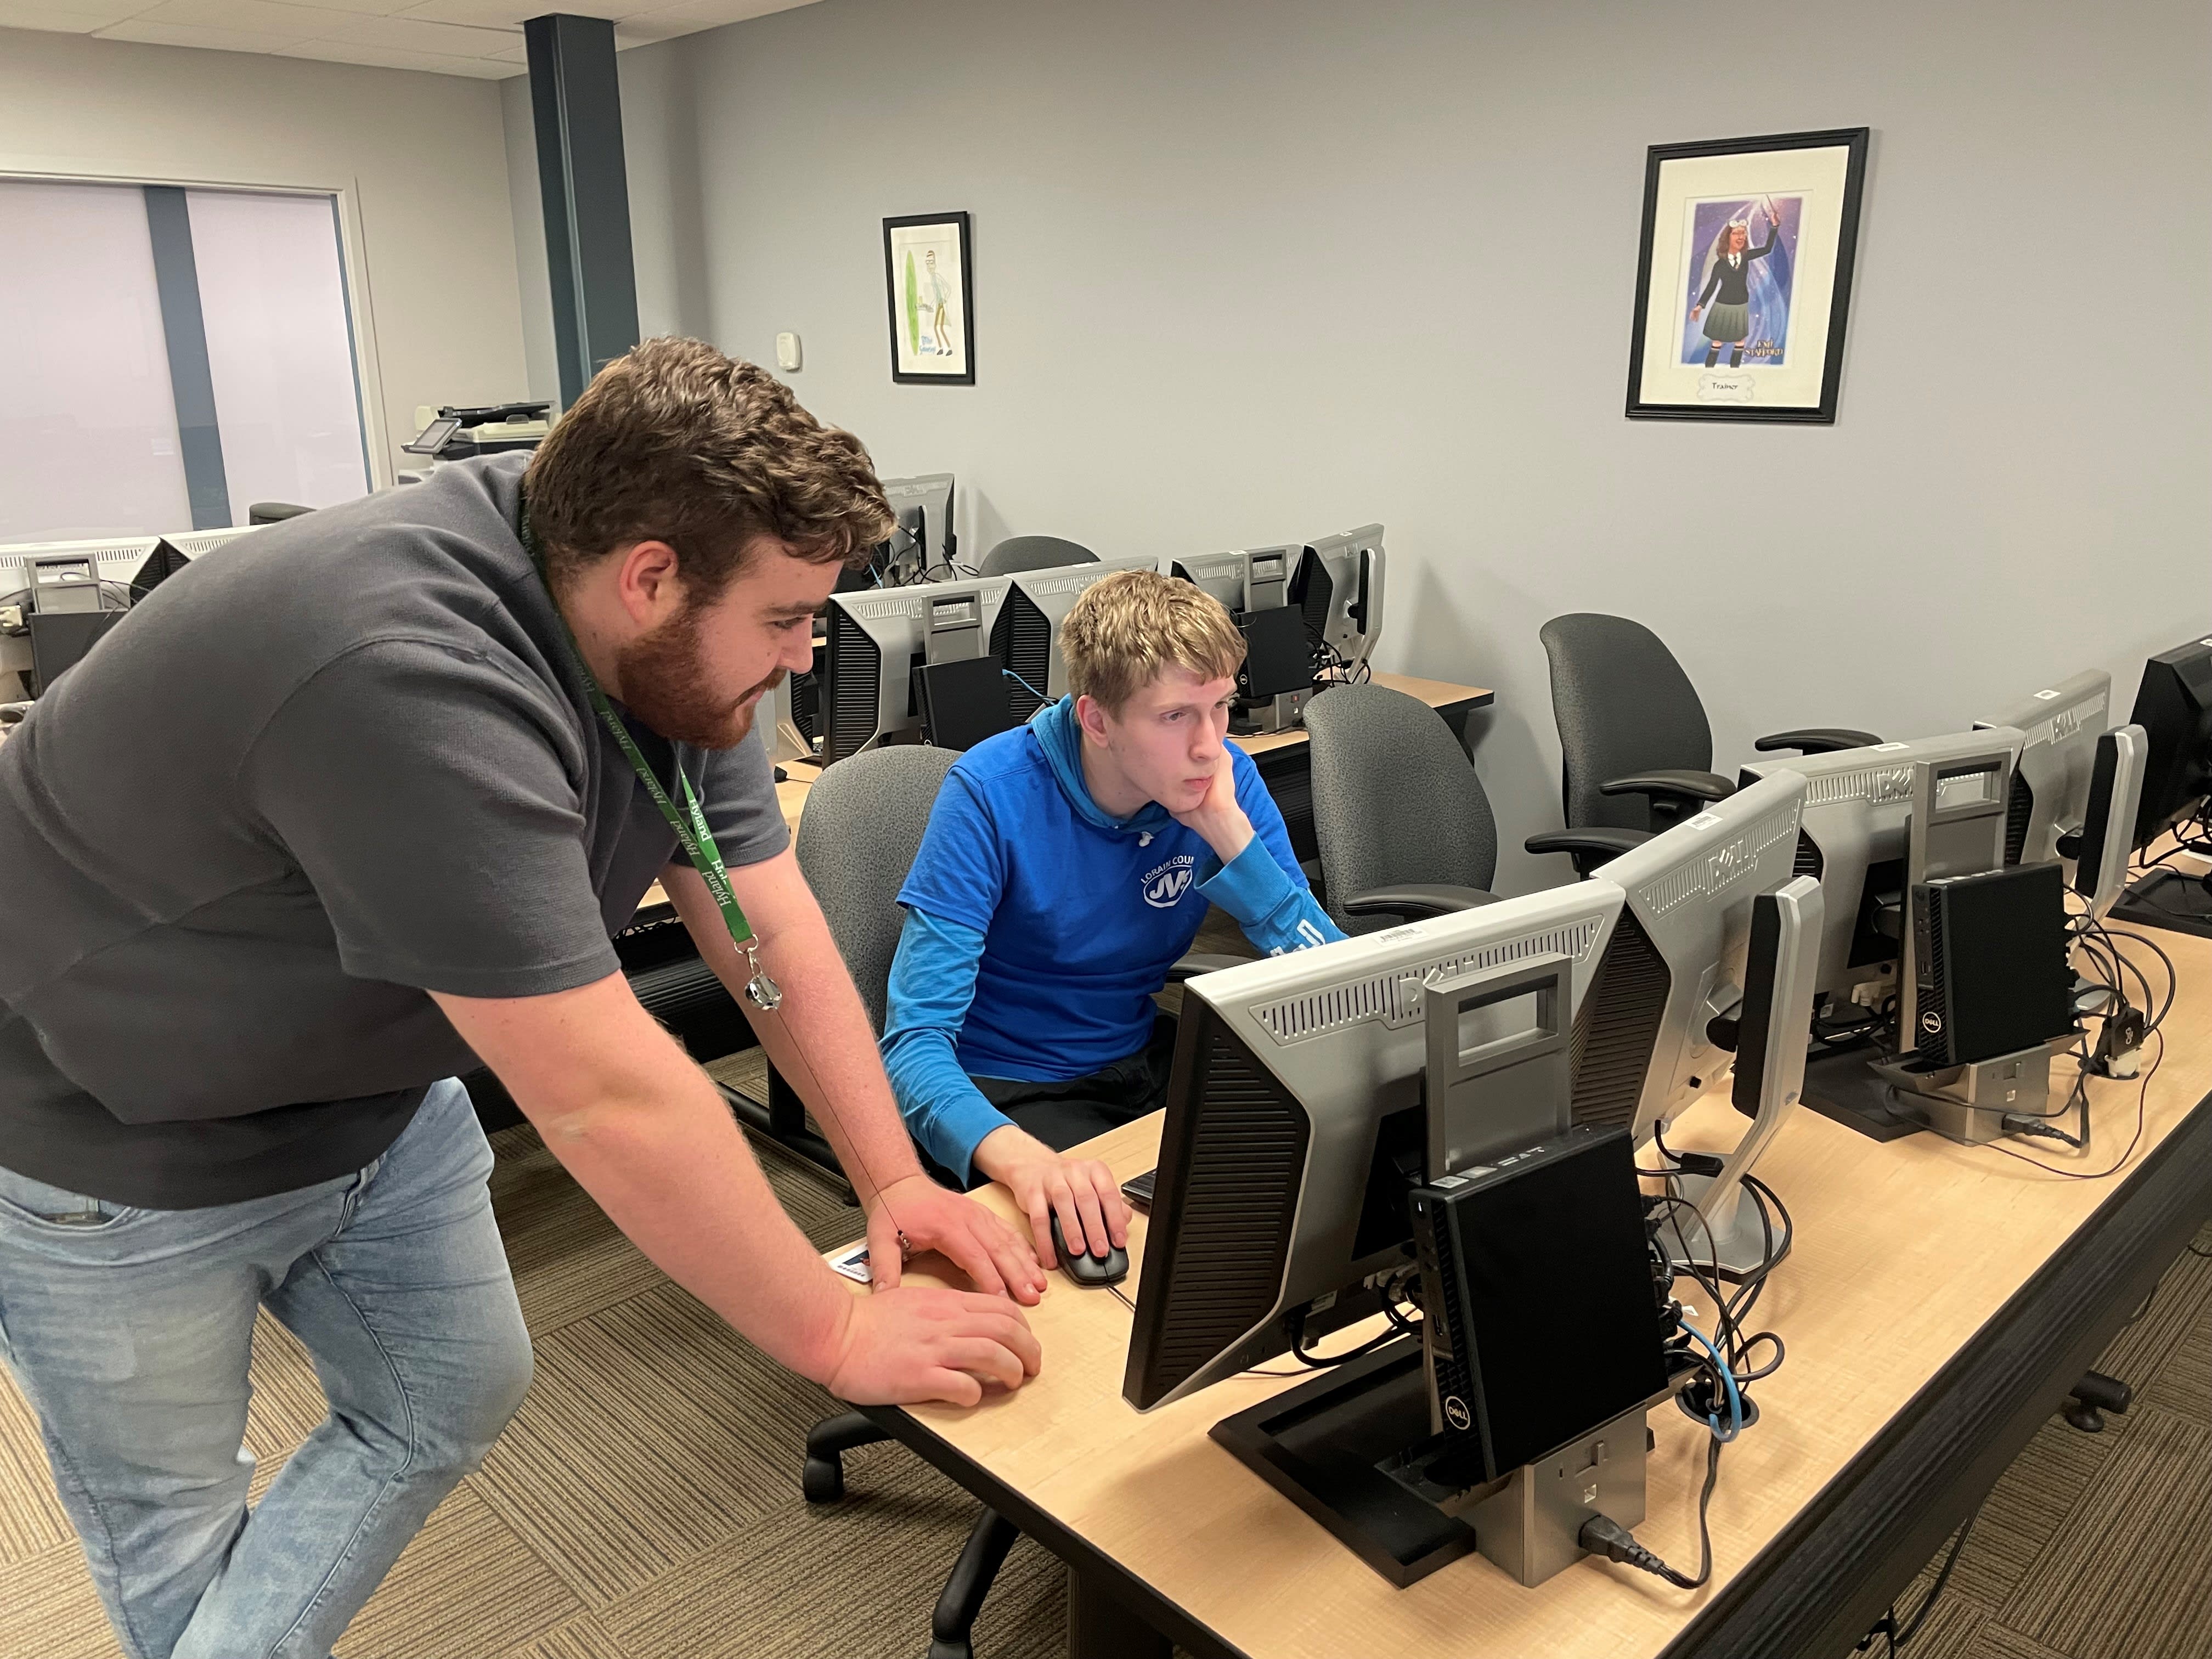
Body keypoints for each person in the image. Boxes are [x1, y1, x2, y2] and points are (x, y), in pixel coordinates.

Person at [0, 337, 1045, 1659]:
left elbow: (758, 914)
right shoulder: (408, 670)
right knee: (177, 1555)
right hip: (112, 1133)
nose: (803, 655)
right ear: (650, 576)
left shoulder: (650, 639)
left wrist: (893, 1184)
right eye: (784, 620)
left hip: (366, 1092)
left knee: (453, 1388)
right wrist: (835, 1328)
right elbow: (605, 1093)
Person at [881, 571, 1345, 1266]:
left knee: (1314, 1169)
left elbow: (1340, 985)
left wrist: (1229, 835)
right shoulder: (989, 796)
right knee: (1113, 1244)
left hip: (1140, 1054)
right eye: (1175, 716)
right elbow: (913, 1044)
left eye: (1220, 707)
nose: (1209, 743)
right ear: (1097, 719)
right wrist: (1021, 1160)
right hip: (1014, 1084)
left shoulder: (1223, 780)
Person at [1690, 205, 1781, 368]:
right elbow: (1712, 286)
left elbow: (1768, 249)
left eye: (1743, 234)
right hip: (1722, 306)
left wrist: (1775, 227)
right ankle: (1707, 373)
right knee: (1717, 342)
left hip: (1740, 305)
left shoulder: (1746, 257)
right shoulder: (1720, 265)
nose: (1741, 237)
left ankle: (1734, 374)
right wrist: (1699, 306)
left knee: (1740, 342)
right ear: (1728, 238)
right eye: (1737, 233)